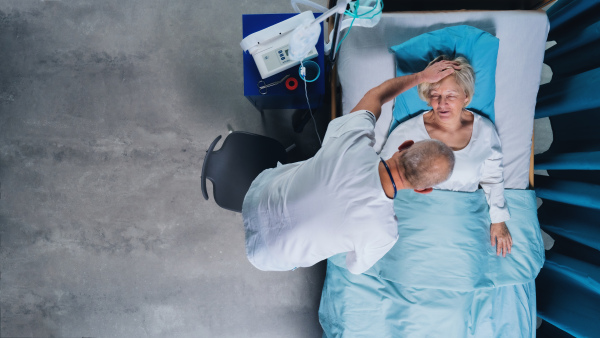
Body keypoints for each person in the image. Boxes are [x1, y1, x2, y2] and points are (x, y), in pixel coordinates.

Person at [242, 61, 458, 274]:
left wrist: (421, 77)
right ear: (422, 190)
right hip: (267, 254)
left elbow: (377, 95)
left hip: (258, 196)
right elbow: (354, 266)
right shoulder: (384, 234)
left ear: (404, 146)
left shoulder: (352, 140)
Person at [380, 55, 513, 257]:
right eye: (435, 94)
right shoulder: (406, 133)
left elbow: (493, 178)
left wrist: (498, 220)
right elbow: (381, 173)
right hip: (414, 219)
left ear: (466, 97)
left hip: (461, 221)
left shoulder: (485, 131)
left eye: (451, 95)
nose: (442, 103)